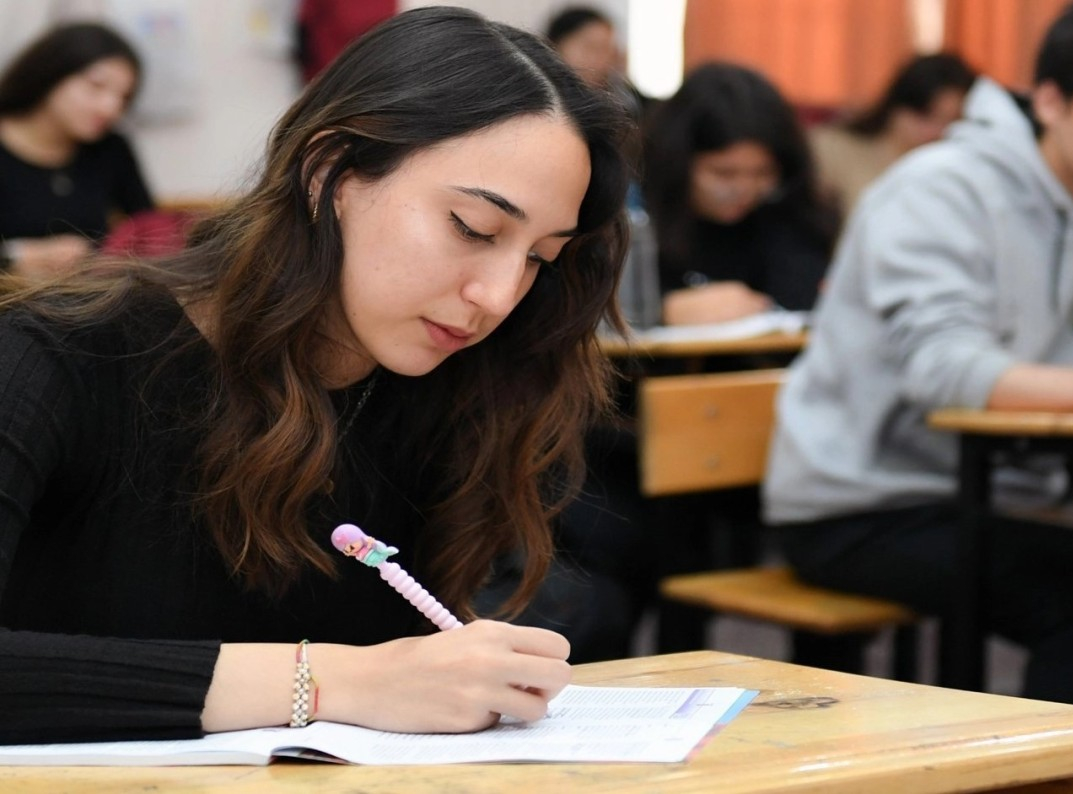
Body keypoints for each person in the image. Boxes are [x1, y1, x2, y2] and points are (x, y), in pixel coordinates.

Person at [0, 6, 629, 744]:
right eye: (475, 229)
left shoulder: (452, 393)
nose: (497, 295)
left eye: (537, 258)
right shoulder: (55, 357)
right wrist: (340, 682)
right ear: (329, 172)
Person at [764, 0, 1073, 710]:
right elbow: (944, 372)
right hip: (863, 502)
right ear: (1052, 100)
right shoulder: (942, 188)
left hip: (1008, 497)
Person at [642, 63, 837, 326]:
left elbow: (809, 300)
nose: (744, 191)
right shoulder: (635, 219)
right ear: (677, 163)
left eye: (762, 173)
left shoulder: (789, 212)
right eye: (723, 174)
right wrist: (662, 311)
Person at [0, 22, 153, 278]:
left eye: (123, 97)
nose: (110, 108)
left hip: (87, 307)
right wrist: (17, 254)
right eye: (96, 86)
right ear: (51, 73)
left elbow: (150, 229)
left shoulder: (112, 148)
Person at [810, 52, 976, 216]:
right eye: (925, 116)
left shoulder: (960, 173)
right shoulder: (834, 148)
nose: (936, 132)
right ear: (896, 106)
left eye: (951, 122)